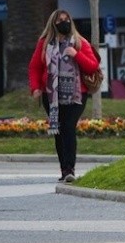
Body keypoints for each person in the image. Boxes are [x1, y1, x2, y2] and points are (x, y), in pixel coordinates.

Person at [28, 9, 99, 182]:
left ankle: (70, 169)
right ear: (54, 23)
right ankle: (63, 169)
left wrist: (77, 54)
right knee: (58, 131)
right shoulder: (44, 43)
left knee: (68, 128)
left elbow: (92, 66)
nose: (64, 22)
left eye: (67, 19)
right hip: (51, 95)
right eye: (60, 20)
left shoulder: (80, 42)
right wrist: (36, 88)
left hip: (76, 94)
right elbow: (35, 67)